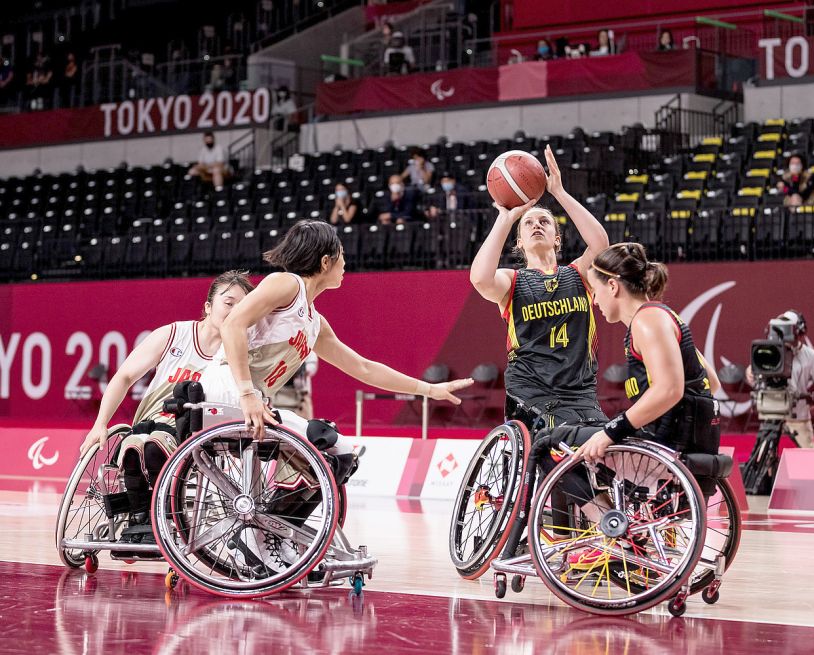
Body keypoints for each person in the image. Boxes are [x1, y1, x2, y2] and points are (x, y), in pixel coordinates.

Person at [202, 220, 473, 443]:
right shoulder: (285, 284)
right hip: (229, 388)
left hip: (253, 398)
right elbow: (232, 324)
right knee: (321, 444)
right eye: (341, 254)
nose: (345, 262)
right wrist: (247, 394)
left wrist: (429, 390)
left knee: (337, 449)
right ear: (324, 263)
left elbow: (363, 368)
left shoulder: (314, 323)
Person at [77, 271, 254, 536]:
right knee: (134, 446)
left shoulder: (239, 352)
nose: (235, 311)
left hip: (192, 435)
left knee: (153, 447)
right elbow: (124, 376)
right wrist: (100, 424)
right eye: (229, 303)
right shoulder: (173, 334)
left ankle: (159, 517)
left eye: (243, 306)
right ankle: (139, 518)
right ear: (207, 307)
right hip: (147, 424)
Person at [470, 145, 609, 431]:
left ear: (557, 239)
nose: (536, 225)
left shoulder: (579, 274)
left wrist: (559, 192)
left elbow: (600, 245)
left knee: (605, 455)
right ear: (519, 242)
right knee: (568, 448)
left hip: (579, 393)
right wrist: (505, 218)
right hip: (531, 393)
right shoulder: (513, 280)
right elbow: (480, 278)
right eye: (528, 223)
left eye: (544, 221)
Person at [577, 244, 721, 478]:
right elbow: (711, 381)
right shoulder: (661, 315)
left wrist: (611, 432)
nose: (594, 301)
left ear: (612, 286)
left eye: (594, 290)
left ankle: (600, 514)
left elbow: (669, 390)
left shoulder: (648, 321)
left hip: (667, 444)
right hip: (688, 437)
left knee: (551, 444)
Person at [743, 310, 814, 448]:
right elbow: (753, 370)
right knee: (765, 455)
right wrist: (750, 372)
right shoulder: (771, 350)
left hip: (798, 418)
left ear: (798, 331)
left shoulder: (809, 354)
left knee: (809, 456)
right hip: (772, 414)